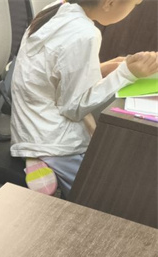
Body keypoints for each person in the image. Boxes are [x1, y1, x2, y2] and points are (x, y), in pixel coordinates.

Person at [10, 0, 158, 196]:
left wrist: (103, 68)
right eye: (134, 5)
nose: (133, 10)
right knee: (101, 194)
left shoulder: (56, 8)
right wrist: (126, 74)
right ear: (109, 3)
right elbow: (74, 108)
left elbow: (52, 72)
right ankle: (43, 157)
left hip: (29, 125)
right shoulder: (85, 33)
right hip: (51, 140)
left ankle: (35, 156)